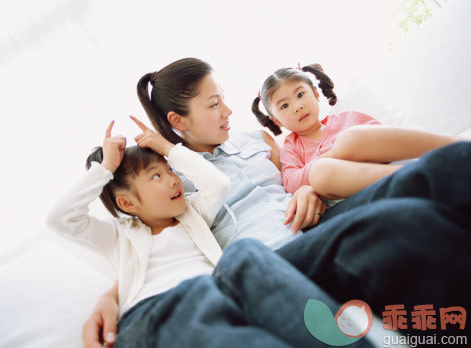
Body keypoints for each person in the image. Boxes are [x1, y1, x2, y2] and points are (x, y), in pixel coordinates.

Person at [83, 57, 471, 346]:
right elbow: (151, 242)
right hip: (273, 260)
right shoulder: (167, 176)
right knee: (254, 253)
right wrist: (111, 296)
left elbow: (294, 174)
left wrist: (308, 188)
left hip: (318, 227)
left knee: (439, 173)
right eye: (214, 103)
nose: (229, 111)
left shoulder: (257, 139)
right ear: (179, 120)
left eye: (224, 99)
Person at [46, 120, 360, 347]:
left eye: (171, 171)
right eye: (157, 175)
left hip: (215, 294)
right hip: (154, 312)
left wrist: (170, 150)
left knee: (245, 254)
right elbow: (61, 219)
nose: (174, 180)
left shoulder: (192, 212)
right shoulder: (118, 237)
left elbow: (219, 183)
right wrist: (104, 168)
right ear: (127, 203)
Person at [252, 64, 457, 200]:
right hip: (344, 188)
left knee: (350, 138)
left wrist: (346, 148)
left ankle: (452, 145)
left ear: (316, 94)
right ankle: (418, 176)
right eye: (285, 106)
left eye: (300, 94)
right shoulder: (291, 147)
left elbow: (383, 138)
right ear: (276, 120)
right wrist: (332, 155)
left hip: (375, 163)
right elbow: (291, 183)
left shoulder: (349, 118)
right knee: (321, 173)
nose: (297, 106)